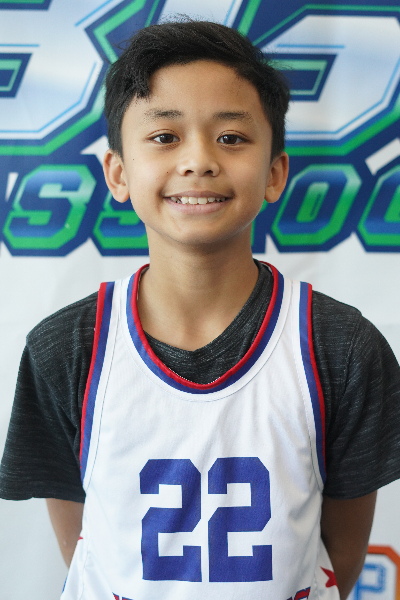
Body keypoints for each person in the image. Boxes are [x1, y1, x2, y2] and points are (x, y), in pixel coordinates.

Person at [1, 19, 400, 600]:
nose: (199, 160)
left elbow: (340, 553)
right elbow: (84, 544)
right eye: (165, 136)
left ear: (275, 173)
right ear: (118, 173)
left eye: (231, 138)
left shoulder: (341, 348)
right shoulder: (66, 348)